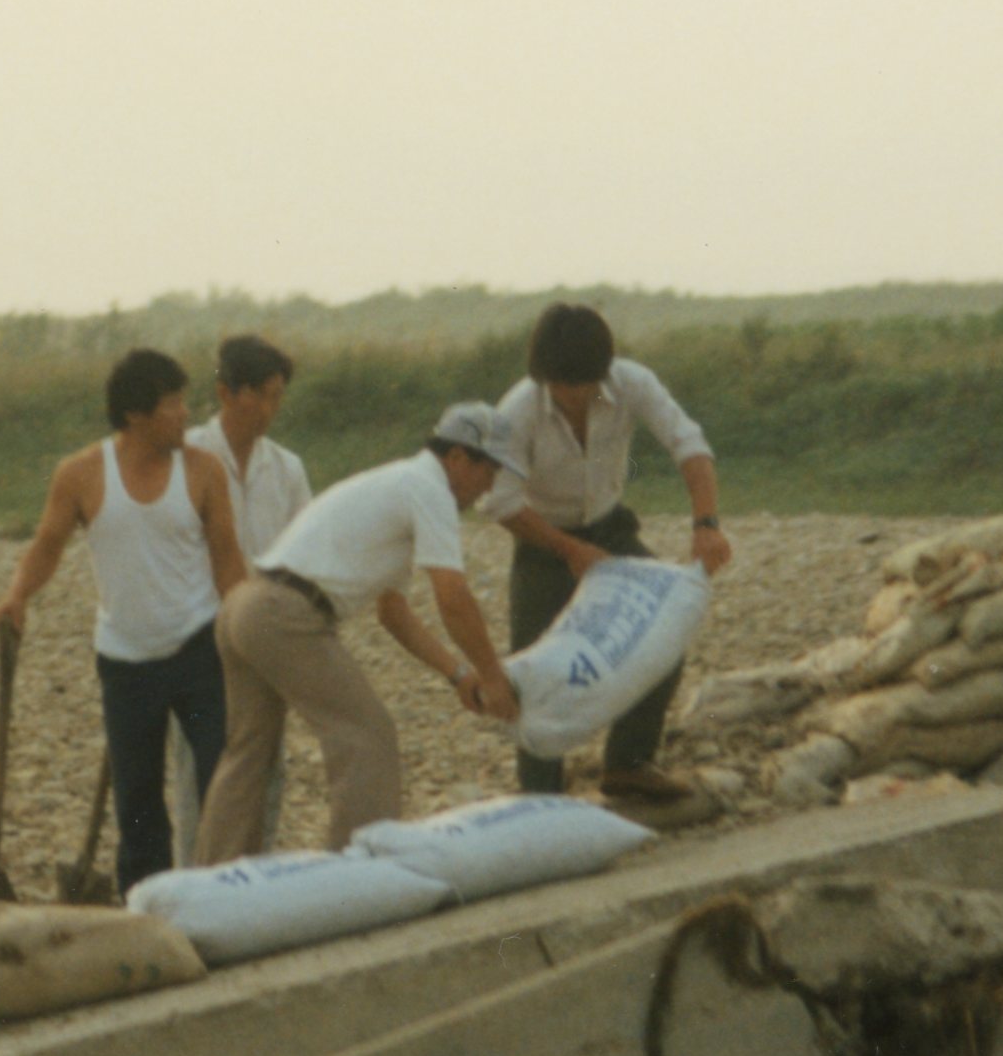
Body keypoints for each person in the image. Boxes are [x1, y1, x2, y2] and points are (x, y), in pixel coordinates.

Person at [193, 403, 520, 863]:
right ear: (459, 459)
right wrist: (493, 677)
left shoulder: (400, 482)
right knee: (368, 737)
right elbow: (453, 595)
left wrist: (459, 674)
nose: (490, 486)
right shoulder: (430, 491)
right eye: (490, 471)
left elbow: (394, 613)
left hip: (245, 607)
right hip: (285, 614)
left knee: (247, 754)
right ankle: (355, 878)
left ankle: (213, 881)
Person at [0, 349, 249, 892]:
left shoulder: (203, 470)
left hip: (200, 646)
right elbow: (46, 547)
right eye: (173, 404)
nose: (185, 414)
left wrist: (248, 630)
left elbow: (228, 560)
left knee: (220, 778)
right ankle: (145, 902)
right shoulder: (81, 474)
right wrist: (17, 596)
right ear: (135, 415)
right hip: (125, 660)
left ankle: (224, 890)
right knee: (136, 801)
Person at [488, 303, 733, 806]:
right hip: (541, 539)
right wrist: (569, 549)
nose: (569, 397)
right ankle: (540, 794)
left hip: (612, 528)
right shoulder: (517, 410)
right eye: (558, 386)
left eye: (579, 386)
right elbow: (501, 503)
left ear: (601, 374)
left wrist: (706, 523)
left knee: (661, 634)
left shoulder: (633, 383)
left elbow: (689, 445)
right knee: (533, 669)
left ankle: (628, 763)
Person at [169, 333, 315, 865]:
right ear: (229, 393)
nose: (272, 409)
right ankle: (194, 878)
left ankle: (257, 876)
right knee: (199, 768)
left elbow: (305, 552)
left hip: (265, 632)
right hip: (198, 633)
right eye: (265, 395)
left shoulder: (286, 468)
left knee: (266, 763)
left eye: (280, 396)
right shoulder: (183, 457)